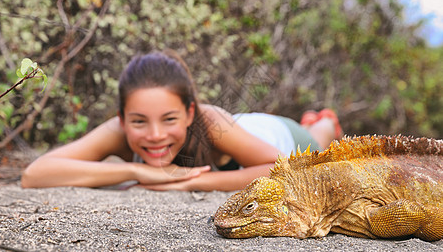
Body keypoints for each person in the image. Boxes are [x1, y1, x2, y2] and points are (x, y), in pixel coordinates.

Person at [21, 50, 343, 191]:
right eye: (138, 121)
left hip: (280, 136)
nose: (155, 134)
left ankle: (324, 119)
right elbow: (34, 175)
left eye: (169, 118)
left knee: (320, 136)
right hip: (242, 129)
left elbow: (283, 168)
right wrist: (136, 170)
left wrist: (191, 182)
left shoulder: (210, 119)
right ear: (122, 118)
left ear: (190, 113)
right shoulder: (120, 131)